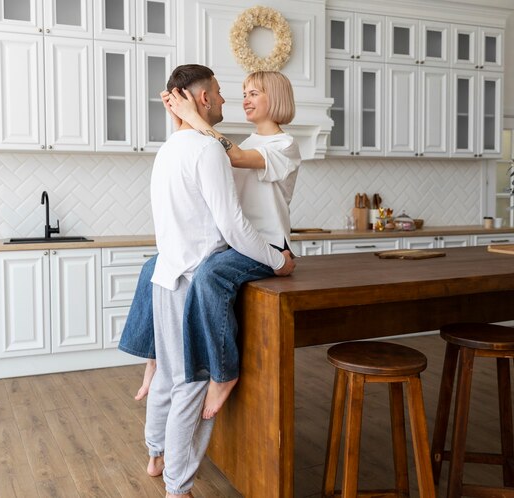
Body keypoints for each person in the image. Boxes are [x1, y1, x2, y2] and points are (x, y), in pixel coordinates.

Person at [145, 63, 295, 498]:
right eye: (224, 92)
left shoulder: (172, 148)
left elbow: (229, 159)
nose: (234, 99)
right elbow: (231, 223)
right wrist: (276, 261)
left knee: (171, 374)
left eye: (252, 93)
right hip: (200, 271)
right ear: (204, 98)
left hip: (174, 271)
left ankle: (156, 452)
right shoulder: (209, 147)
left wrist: (183, 120)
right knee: (191, 380)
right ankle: (178, 485)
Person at [119, 70, 301, 420]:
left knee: (210, 277)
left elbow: (235, 157)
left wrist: (192, 117)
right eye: (243, 92)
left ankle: (223, 373)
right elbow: (206, 159)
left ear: (275, 99)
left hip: (266, 245)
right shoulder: (241, 141)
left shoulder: (284, 146)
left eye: (254, 93)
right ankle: (154, 357)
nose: (244, 99)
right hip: (238, 242)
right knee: (154, 267)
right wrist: (181, 120)